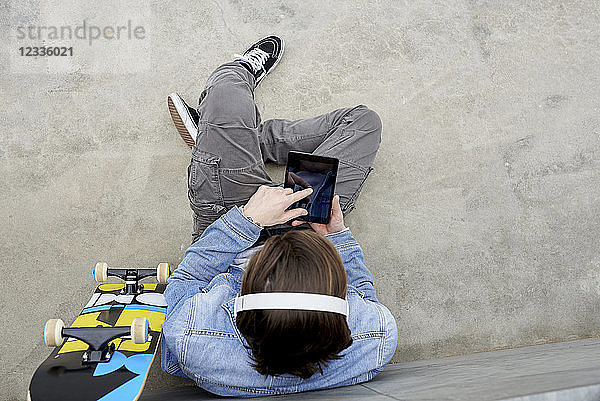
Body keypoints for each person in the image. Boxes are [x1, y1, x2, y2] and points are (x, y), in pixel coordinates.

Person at [161, 35, 398, 397]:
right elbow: (364, 295)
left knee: (226, 96)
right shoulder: (376, 339)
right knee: (362, 122)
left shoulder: (193, 339)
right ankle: (239, 141)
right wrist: (335, 237)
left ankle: (225, 122)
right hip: (314, 232)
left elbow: (188, 279)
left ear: (243, 299)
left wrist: (248, 220)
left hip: (234, 226)